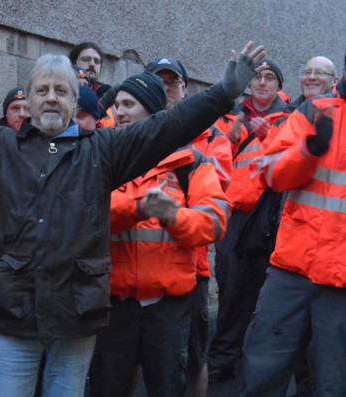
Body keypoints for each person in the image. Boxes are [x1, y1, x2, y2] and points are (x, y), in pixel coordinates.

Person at [0, 19, 264, 397]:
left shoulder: (101, 151)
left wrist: (223, 93)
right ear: (26, 101)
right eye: (42, 90)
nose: (51, 98)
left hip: (75, 321)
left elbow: (167, 126)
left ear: (74, 102)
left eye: (61, 91)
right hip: (12, 318)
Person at [90, 72, 228, 397]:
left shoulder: (191, 163)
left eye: (128, 104)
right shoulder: (100, 156)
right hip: (113, 304)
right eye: (116, 105)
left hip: (168, 306)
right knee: (108, 387)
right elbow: (86, 213)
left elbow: (214, 224)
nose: (118, 111)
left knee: (167, 388)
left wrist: (172, 216)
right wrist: (139, 208)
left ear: (152, 111)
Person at [240, 54, 346, 397]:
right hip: (293, 269)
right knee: (263, 368)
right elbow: (272, 173)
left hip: (341, 282)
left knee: (333, 382)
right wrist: (308, 151)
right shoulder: (314, 112)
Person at [145, 57, 233, 396]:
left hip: (190, 268)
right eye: (159, 82)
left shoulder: (212, 139)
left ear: (185, 88)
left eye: (172, 82)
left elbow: (215, 198)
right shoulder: (132, 133)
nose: (166, 89)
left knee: (193, 356)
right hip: (135, 268)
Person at [207, 58, 291, 383]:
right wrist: (231, 137)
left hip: (267, 216)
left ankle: (248, 362)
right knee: (229, 288)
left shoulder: (293, 119)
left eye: (270, 78)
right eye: (257, 77)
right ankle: (223, 359)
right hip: (234, 214)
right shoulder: (229, 118)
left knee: (258, 291)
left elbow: (292, 163)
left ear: (279, 87)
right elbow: (212, 159)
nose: (262, 82)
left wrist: (270, 136)